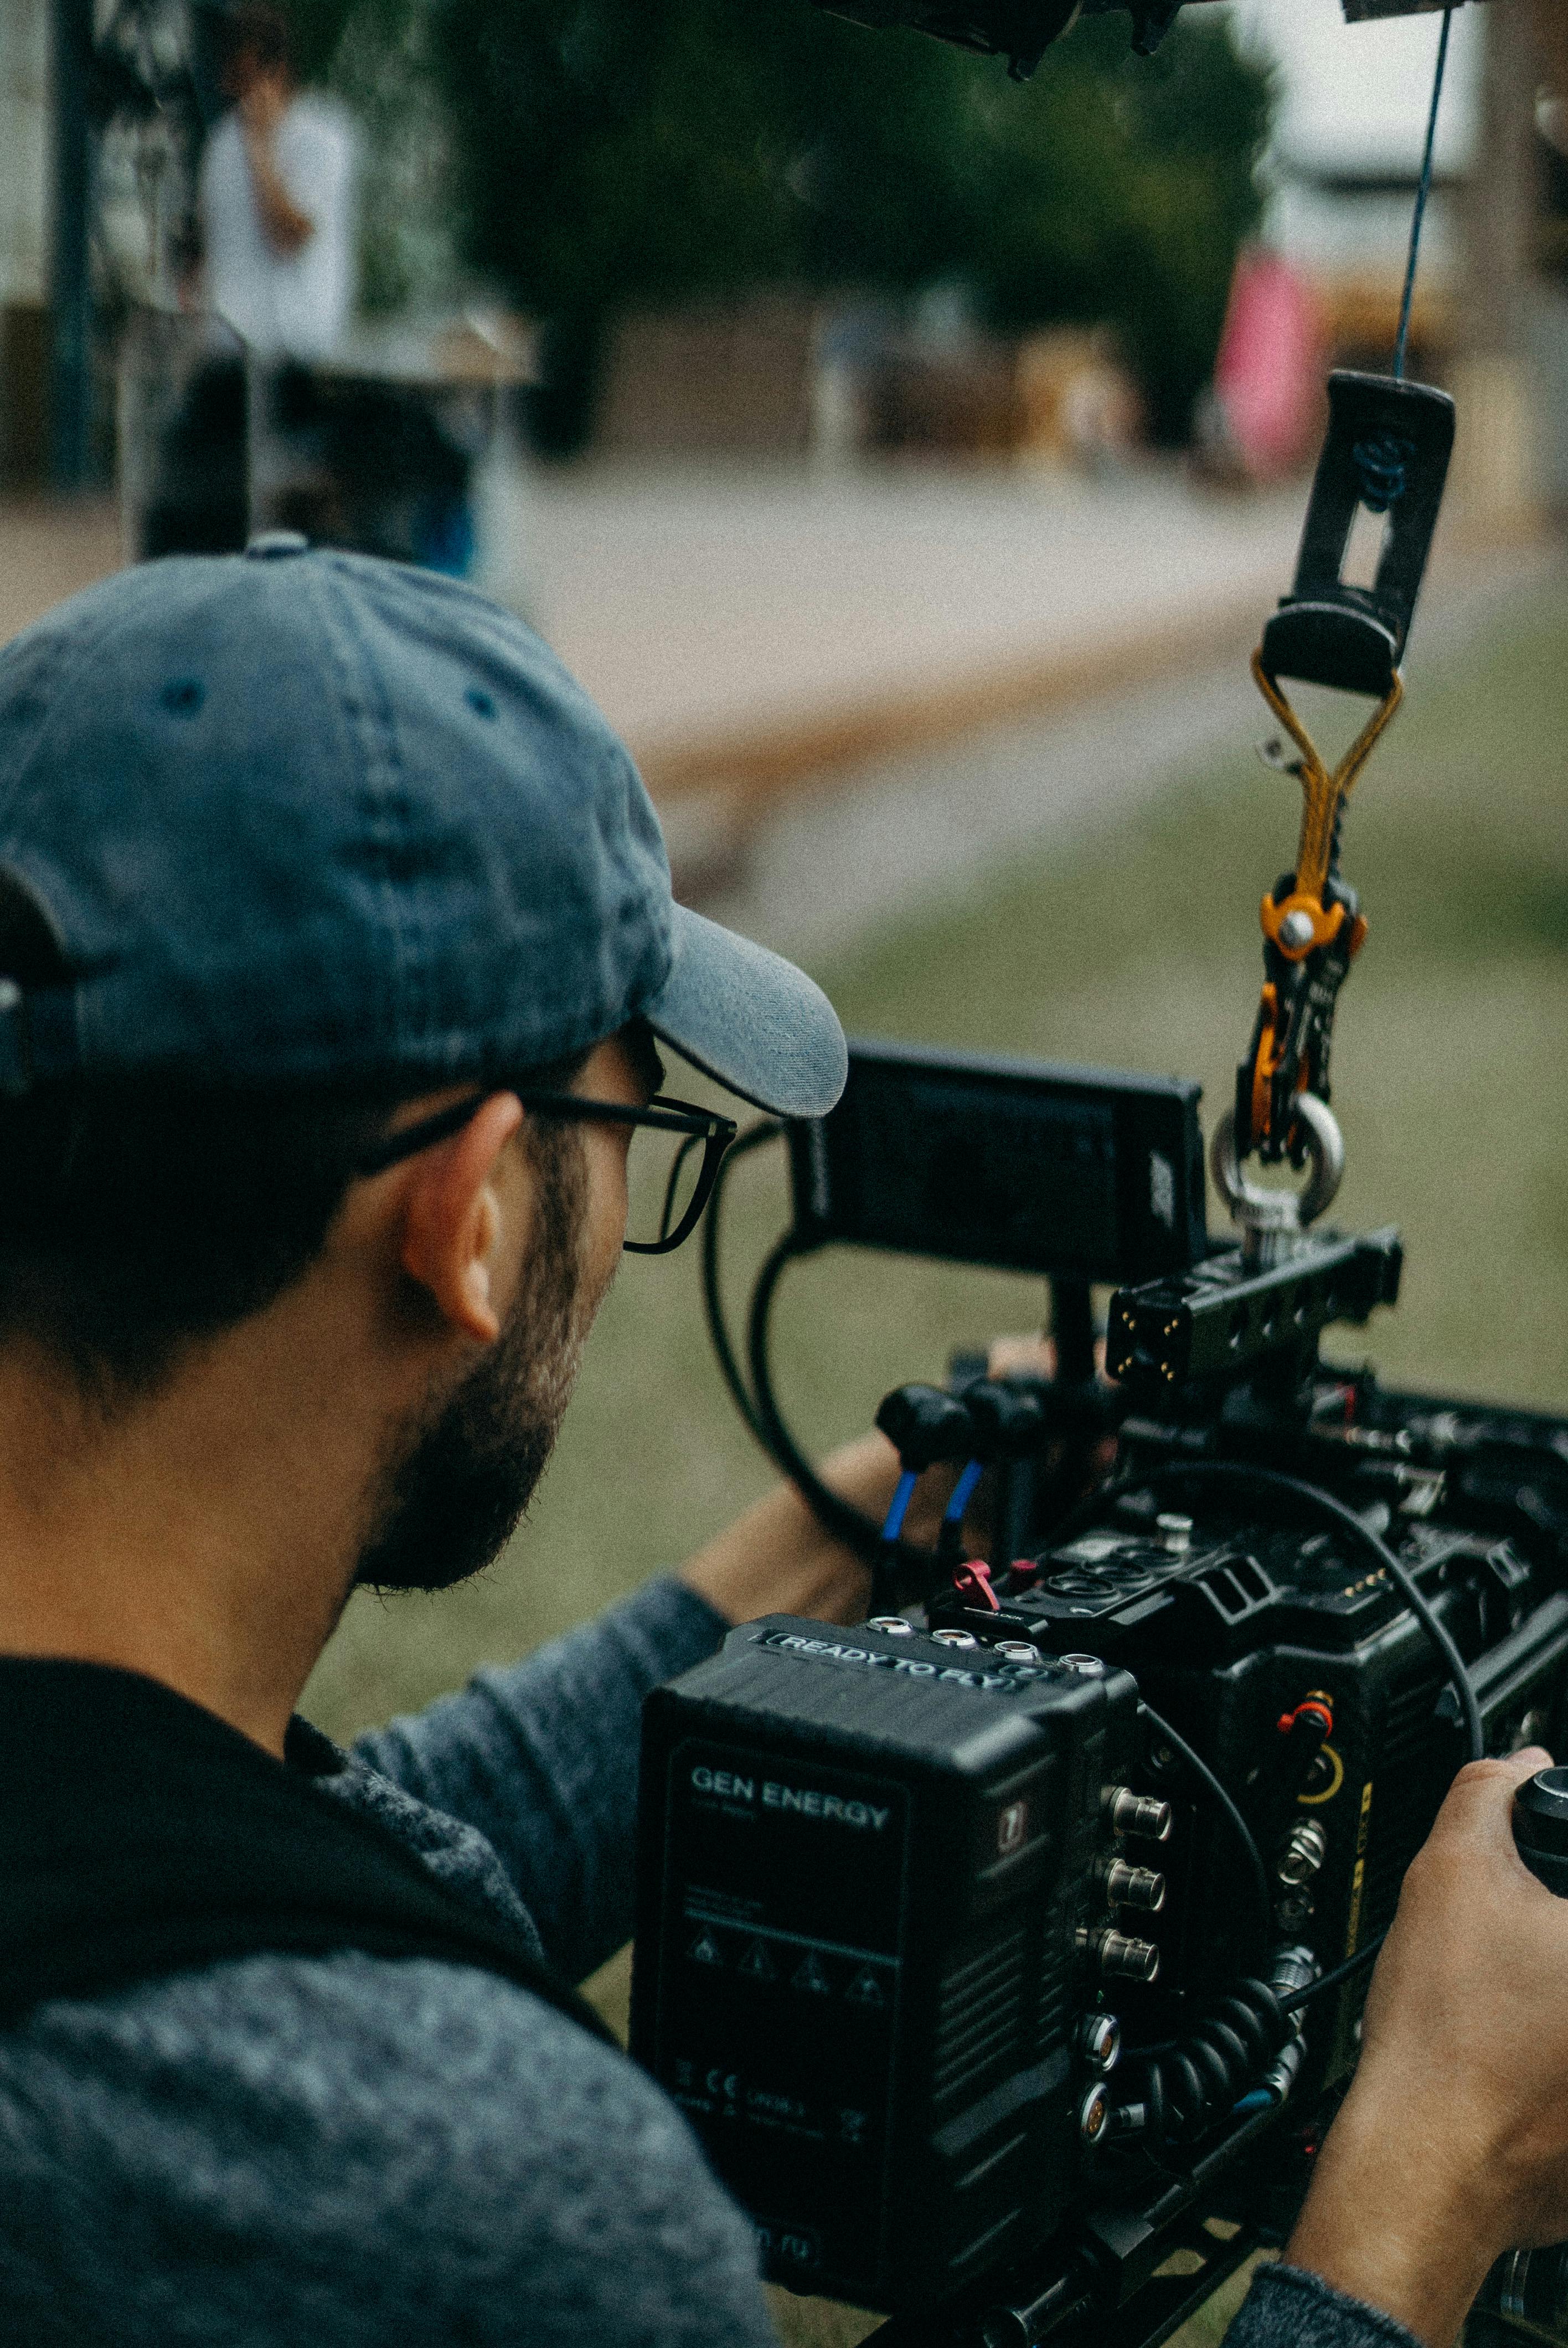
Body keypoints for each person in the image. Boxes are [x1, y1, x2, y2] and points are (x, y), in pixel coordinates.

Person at [0, 541, 1564, 2348]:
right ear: (471, 1216)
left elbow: (284, 1850)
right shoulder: (499, 2222)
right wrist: (1422, 2190)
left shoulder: (128, 1822)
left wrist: (876, 1508)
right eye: (629, 1114)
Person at [198, 2, 358, 362]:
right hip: (229, 351)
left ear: (278, 73)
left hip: (296, 352)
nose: (237, 92)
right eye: (232, 78)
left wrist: (263, 151)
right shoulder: (222, 147)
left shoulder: (323, 137)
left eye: (247, 76)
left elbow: (290, 236)